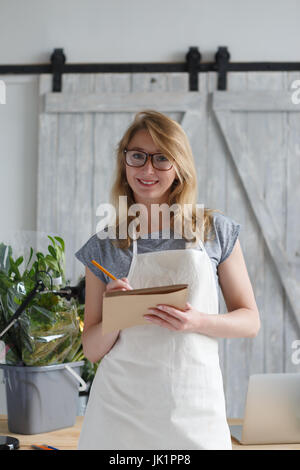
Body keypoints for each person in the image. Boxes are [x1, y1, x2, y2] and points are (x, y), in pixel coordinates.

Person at [75, 110, 261, 450]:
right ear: (125, 162)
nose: (147, 169)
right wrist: (115, 316)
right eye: (138, 156)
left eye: (161, 158)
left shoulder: (213, 231)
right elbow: (91, 349)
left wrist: (197, 321)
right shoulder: (104, 246)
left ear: (178, 165)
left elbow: (250, 320)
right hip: (120, 417)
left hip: (194, 410)